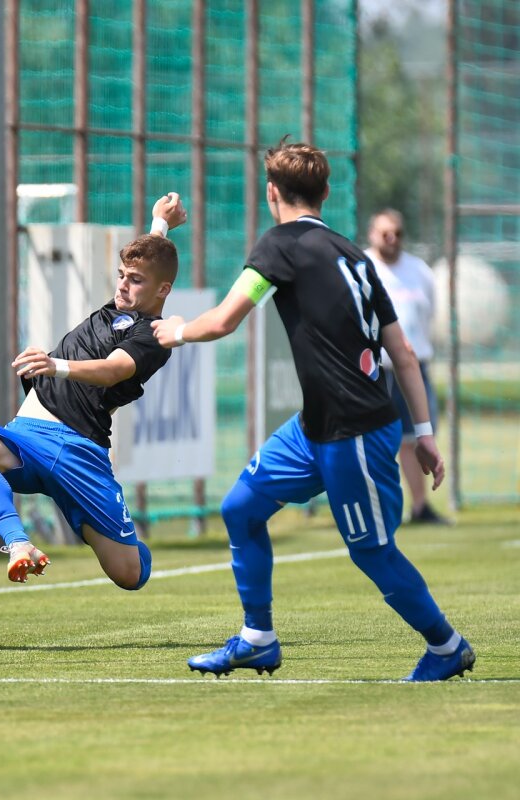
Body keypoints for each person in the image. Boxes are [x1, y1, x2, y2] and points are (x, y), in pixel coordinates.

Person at [152, 140, 474, 682]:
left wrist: (177, 330)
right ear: (325, 193)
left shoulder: (280, 245)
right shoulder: (356, 256)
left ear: (271, 192)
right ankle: (258, 638)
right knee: (240, 509)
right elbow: (406, 354)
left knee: (372, 552)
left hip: (354, 429)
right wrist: (425, 431)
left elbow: (225, 320)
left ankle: (447, 646)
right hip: (316, 427)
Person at [0, 194, 186, 590]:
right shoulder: (121, 305)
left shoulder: (153, 335)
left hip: (80, 452)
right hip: (28, 434)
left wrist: (56, 365)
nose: (124, 285)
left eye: (136, 280)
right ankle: (18, 543)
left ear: (163, 290)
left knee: (129, 575)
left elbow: (113, 370)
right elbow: (147, 260)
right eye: (121, 275)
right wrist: (158, 222)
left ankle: (125, 538)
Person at [365, 208, 449, 525]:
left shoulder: (419, 270)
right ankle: (378, 509)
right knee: (378, 440)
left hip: (413, 367)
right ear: (372, 234)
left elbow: (429, 315)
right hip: (376, 369)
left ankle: (419, 506)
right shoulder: (363, 266)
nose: (392, 239)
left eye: (397, 233)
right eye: (385, 233)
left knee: (416, 437)